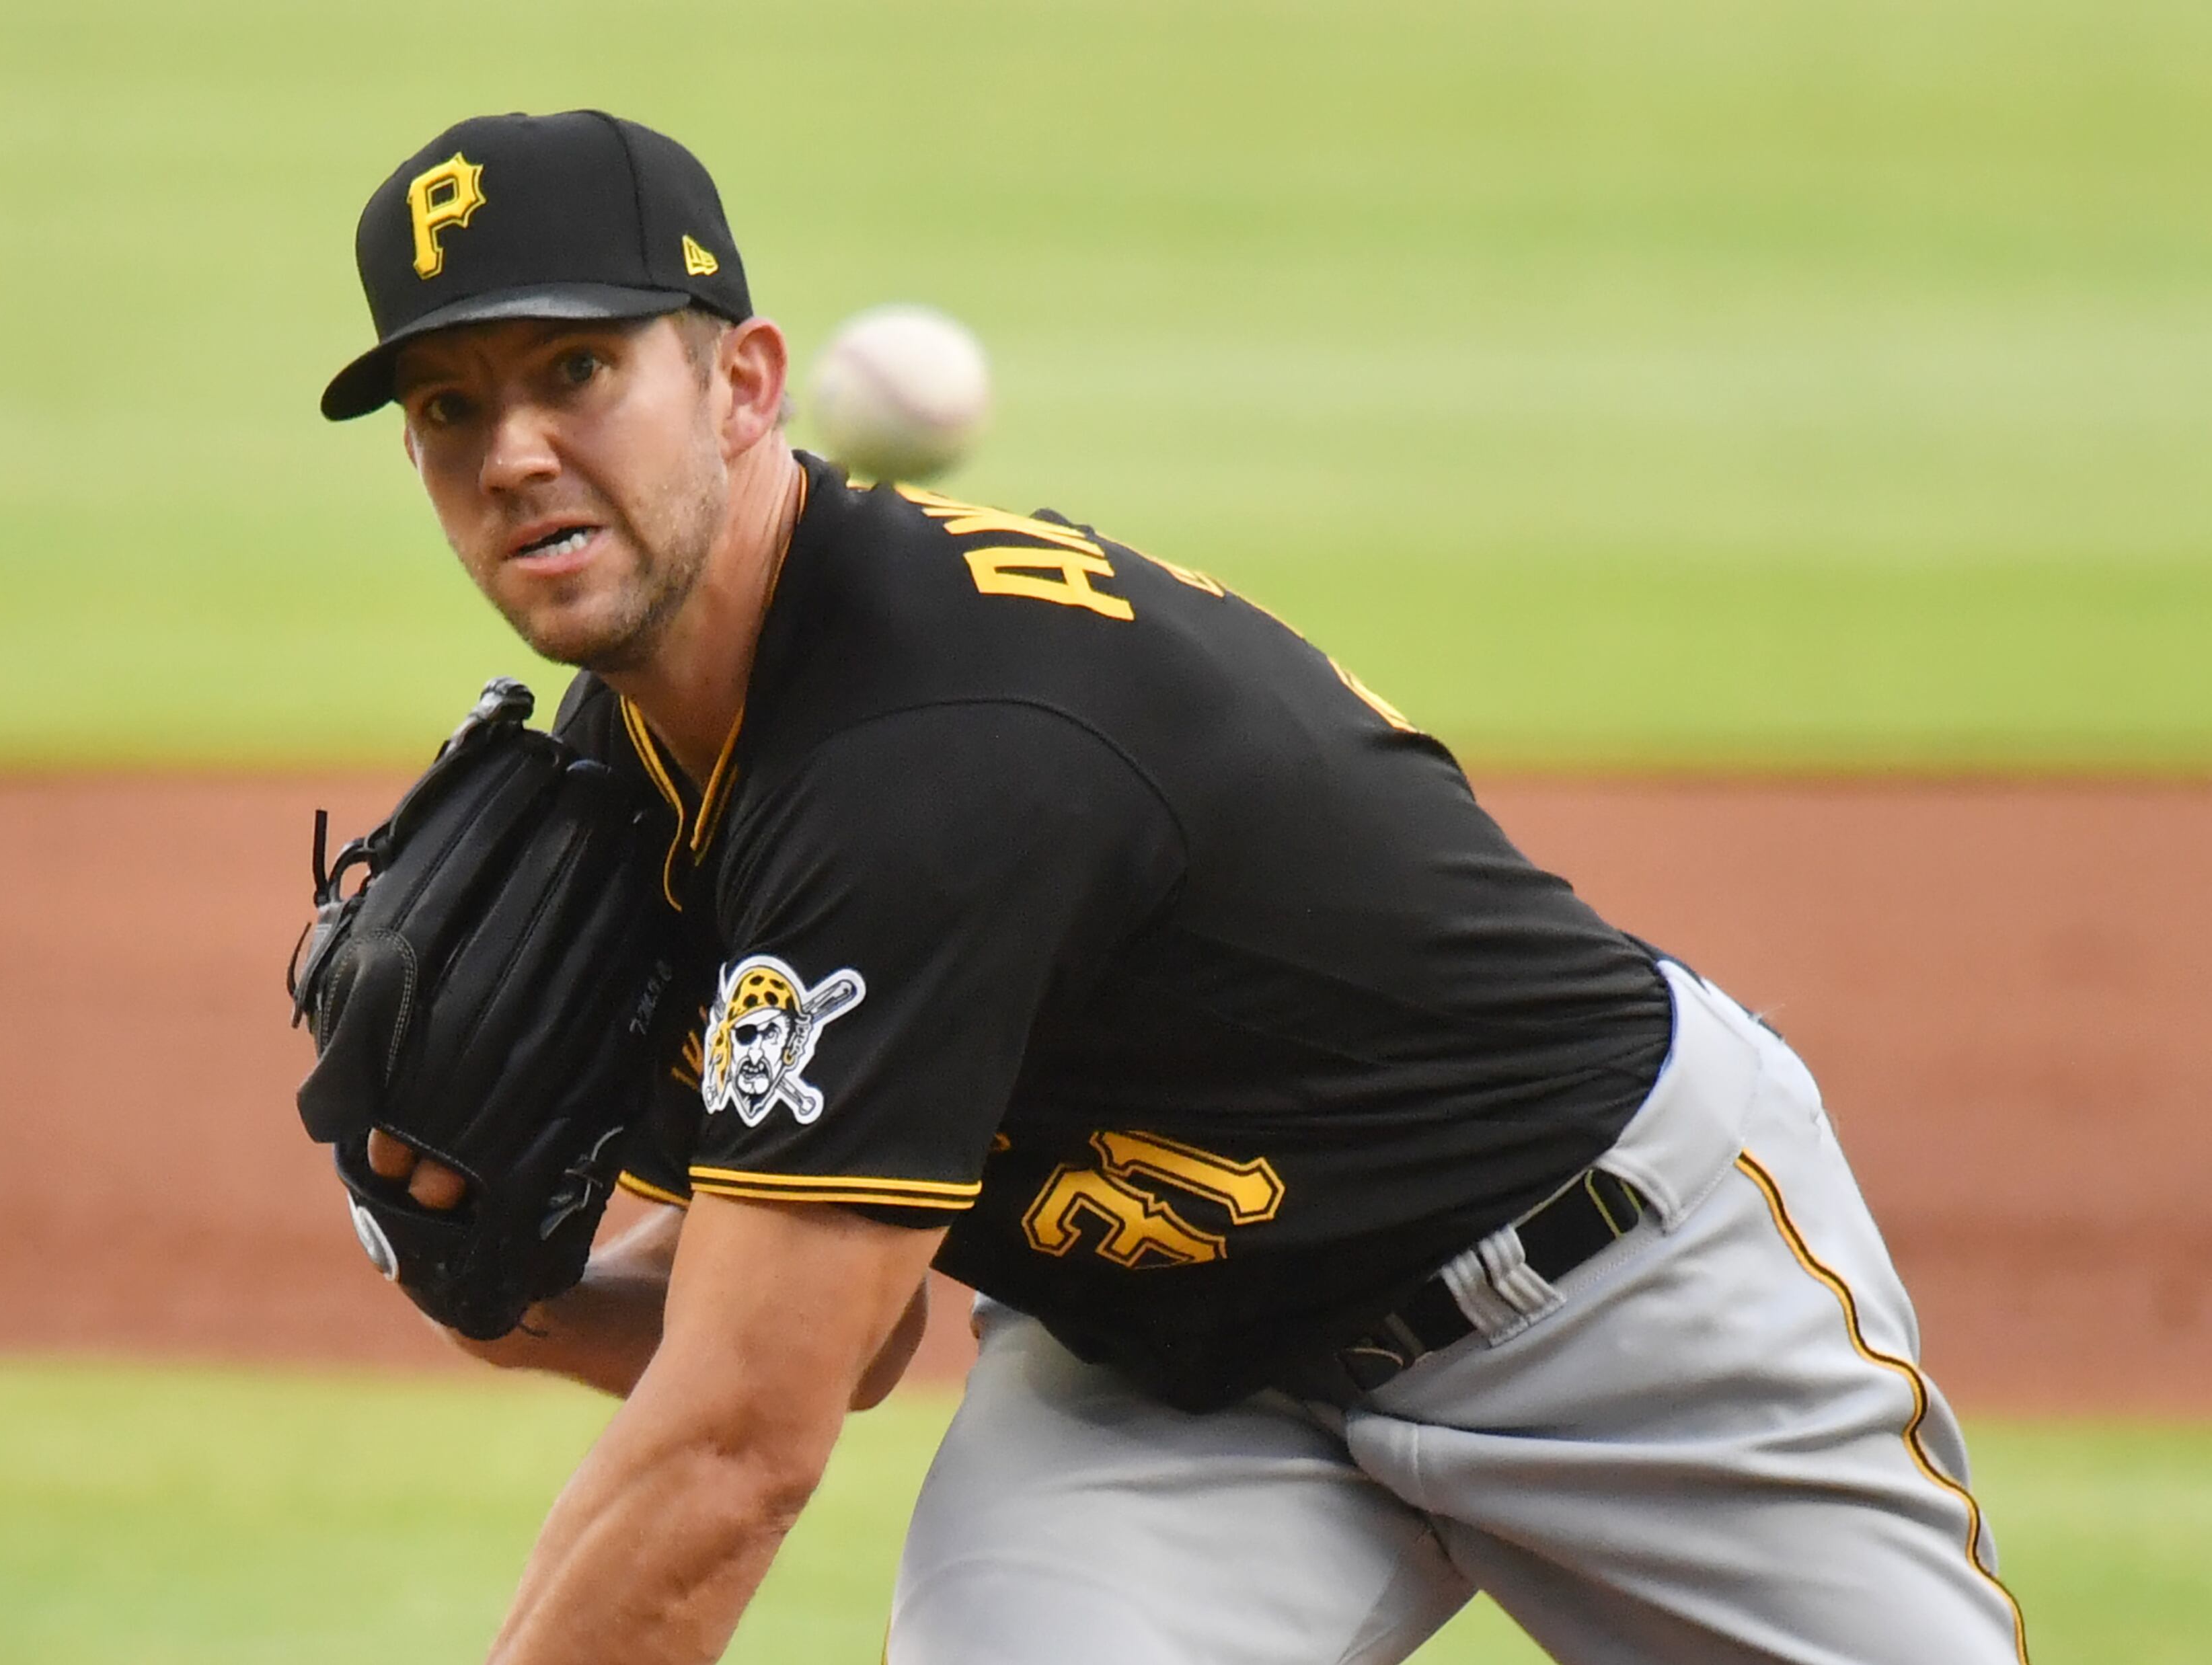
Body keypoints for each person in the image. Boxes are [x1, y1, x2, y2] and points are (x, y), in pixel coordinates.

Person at [317, 110, 2030, 1665]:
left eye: (576, 370)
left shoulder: (931, 756)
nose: (516, 451)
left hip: (1608, 1300)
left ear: (746, 384)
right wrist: (521, 1297)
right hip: (1169, 1369)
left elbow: (741, 1445)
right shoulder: (644, 758)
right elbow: (853, 1321)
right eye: (452, 407)